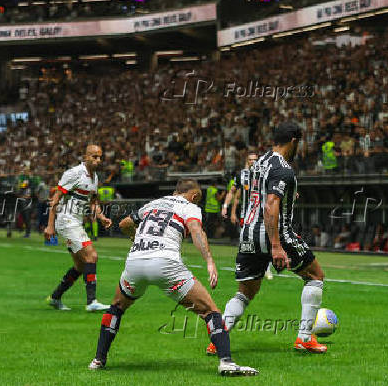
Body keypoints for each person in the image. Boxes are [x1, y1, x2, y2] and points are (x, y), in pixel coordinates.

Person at [88, 178, 258, 376]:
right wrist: (210, 261)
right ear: (194, 196)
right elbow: (196, 231)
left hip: (135, 262)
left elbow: (125, 223)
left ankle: (98, 359)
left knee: (117, 307)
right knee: (210, 311)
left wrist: (136, 239)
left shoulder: (154, 204)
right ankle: (226, 362)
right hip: (166, 263)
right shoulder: (190, 207)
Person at [208, 122, 327, 355]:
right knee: (315, 276)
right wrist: (276, 246)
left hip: (248, 236)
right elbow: (271, 205)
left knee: (245, 292)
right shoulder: (283, 168)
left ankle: (218, 340)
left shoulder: (259, 162)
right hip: (276, 235)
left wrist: (290, 193)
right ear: (294, 141)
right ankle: (304, 337)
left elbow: (263, 193)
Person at [44, 144, 112, 312]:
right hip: (67, 221)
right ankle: (91, 302)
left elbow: (93, 203)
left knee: (81, 266)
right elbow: (56, 199)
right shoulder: (73, 174)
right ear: (85, 157)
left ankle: (55, 297)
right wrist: (50, 226)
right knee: (91, 256)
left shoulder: (94, 178)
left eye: (100, 157)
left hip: (76, 222)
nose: (98, 160)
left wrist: (101, 217)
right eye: (94, 156)